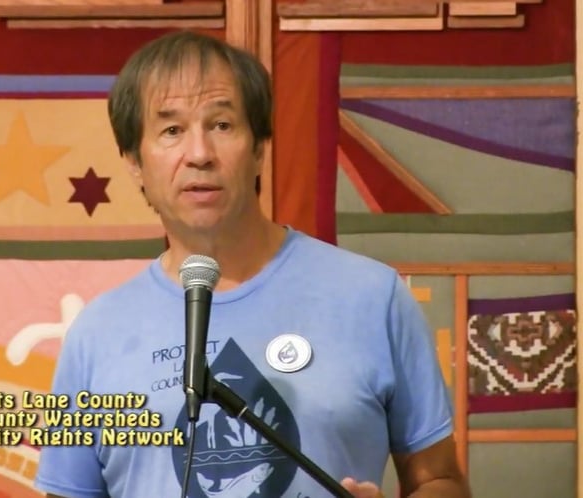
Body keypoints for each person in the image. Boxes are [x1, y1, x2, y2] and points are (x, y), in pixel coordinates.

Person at [35, 31, 471, 498]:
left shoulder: (373, 296)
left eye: (222, 125)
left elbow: (440, 480)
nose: (199, 154)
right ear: (134, 162)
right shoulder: (97, 334)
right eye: (172, 131)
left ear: (259, 148)